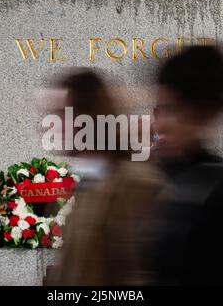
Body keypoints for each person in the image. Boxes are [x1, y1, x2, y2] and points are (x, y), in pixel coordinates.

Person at [44, 69, 167, 285]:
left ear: (86, 117)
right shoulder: (91, 184)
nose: (49, 124)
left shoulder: (137, 184)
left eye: (61, 113)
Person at [148, 45, 223, 285]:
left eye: (173, 111)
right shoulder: (147, 175)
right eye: (159, 111)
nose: (159, 125)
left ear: (204, 114)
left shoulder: (216, 182)